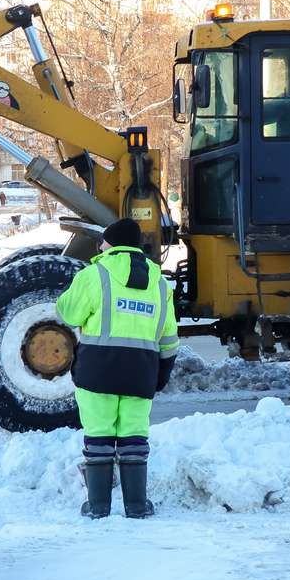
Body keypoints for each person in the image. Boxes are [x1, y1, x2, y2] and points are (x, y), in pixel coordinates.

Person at [56, 218, 179, 519]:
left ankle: (98, 506)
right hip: (141, 372)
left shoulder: (94, 275)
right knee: (134, 435)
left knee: (99, 434)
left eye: (102, 241)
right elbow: (169, 337)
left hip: (97, 371)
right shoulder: (160, 283)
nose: (99, 246)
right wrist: (161, 374)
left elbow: (69, 313)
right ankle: (136, 506)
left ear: (109, 243)